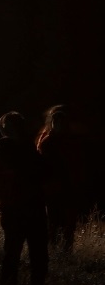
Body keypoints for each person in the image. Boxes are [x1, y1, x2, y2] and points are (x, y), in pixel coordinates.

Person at [0, 111, 48, 285]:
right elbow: (37, 172)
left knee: (22, 253)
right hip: (22, 207)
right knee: (25, 253)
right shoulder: (9, 149)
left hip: (19, 207)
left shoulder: (7, 148)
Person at [36, 104, 85, 254]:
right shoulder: (47, 142)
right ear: (52, 123)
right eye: (56, 122)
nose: (59, 125)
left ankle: (65, 251)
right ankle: (54, 250)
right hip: (53, 187)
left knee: (68, 223)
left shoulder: (69, 142)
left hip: (67, 187)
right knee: (54, 222)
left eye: (61, 122)